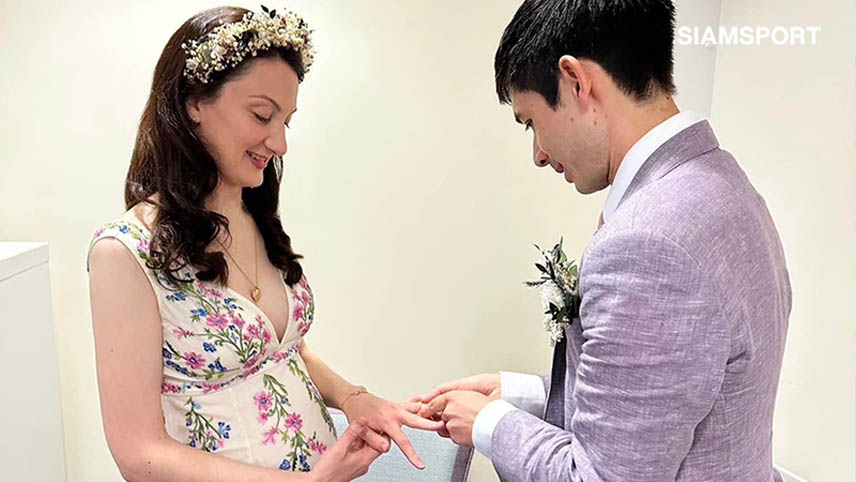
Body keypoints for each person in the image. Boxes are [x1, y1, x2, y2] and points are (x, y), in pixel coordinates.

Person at [414, 1, 792, 481]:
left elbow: (598, 476)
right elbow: (659, 398)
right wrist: (522, 394)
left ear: (576, 81)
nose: (538, 154)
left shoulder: (648, 242)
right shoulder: (722, 185)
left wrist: (489, 423)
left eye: (531, 122)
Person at [87, 6, 442, 481]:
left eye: (286, 121)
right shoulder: (125, 252)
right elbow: (138, 454)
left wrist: (353, 398)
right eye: (261, 116)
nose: (279, 143)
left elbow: (282, 350)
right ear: (193, 103)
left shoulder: (252, 214)